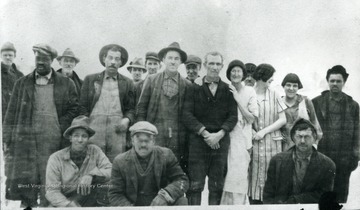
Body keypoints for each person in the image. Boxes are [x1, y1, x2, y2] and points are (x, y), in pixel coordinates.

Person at [3, 44, 79, 207]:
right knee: (28, 180)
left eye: (44, 59)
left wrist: (60, 125)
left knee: (50, 178)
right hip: (27, 141)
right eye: (38, 59)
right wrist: (6, 138)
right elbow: (11, 112)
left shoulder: (67, 84)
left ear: (52, 61)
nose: (40, 63)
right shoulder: (22, 83)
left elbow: (74, 109)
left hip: (54, 140)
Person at [182, 51, 238, 205]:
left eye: (217, 64)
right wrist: (205, 134)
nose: (214, 67)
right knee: (195, 185)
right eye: (211, 63)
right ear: (205, 65)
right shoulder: (193, 88)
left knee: (216, 185)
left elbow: (233, 116)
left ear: (221, 66)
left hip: (220, 143)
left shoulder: (228, 89)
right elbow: (187, 114)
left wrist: (219, 134)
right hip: (198, 143)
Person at [137, 42, 192, 171]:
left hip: (178, 136)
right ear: (163, 60)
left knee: (173, 168)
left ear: (180, 62)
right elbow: (141, 108)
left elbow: (189, 114)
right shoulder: (152, 80)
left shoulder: (187, 85)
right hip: (155, 132)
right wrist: (142, 132)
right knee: (152, 166)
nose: (173, 62)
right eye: (170, 58)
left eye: (176, 59)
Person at [108, 121, 189, 206]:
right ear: (132, 141)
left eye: (147, 140)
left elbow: (182, 180)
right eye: (139, 140)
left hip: (161, 206)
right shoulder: (120, 161)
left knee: (182, 201)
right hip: (133, 206)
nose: (143, 144)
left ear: (153, 141)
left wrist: (165, 195)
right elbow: (115, 194)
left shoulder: (166, 155)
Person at [79, 44, 135, 162]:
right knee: (92, 163)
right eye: (110, 58)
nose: (113, 62)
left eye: (117, 59)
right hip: (94, 131)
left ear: (121, 62)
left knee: (116, 163)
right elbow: (82, 106)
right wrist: (86, 125)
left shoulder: (128, 83)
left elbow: (131, 108)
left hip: (117, 132)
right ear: (104, 59)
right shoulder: (90, 79)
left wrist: (127, 120)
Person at [312, 65, 359, 203]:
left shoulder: (353, 105)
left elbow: (358, 131)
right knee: (321, 194)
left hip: (344, 157)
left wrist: (356, 155)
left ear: (344, 82)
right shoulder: (316, 102)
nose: (335, 84)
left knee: (341, 195)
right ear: (327, 81)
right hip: (322, 155)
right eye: (332, 81)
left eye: (338, 81)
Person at [263, 119, 336, 204]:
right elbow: (268, 195)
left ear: (315, 138)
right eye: (299, 136)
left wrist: (296, 200)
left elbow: (325, 195)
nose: (302, 141)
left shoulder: (327, 165)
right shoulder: (277, 161)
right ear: (293, 138)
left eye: (307, 137)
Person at [45, 115, 112, 207]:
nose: (80, 140)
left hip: (89, 196)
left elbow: (110, 170)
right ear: (70, 138)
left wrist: (91, 175)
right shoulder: (56, 158)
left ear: (88, 138)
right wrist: (68, 205)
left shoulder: (95, 151)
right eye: (76, 136)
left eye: (84, 136)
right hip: (64, 200)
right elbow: (51, 191)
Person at [221, 60, 258, 205]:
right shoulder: (224, 89)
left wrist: (237, 99)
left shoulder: (249, 91)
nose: (236, 74)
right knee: (227, 176)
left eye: (239, 71)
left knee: (239, 176)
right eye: (233, 71)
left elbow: (251, 118)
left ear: (243, 74)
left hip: (243, 140)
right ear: (229, 73)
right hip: (226, 138)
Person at [249, 63, 287, 204]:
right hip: (253, 141)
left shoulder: (274, 94)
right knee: (253, 175)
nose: (272, 80)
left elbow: (283, 120)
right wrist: (252, 131)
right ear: (261, 77)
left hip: (272, 141)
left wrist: (264, 131)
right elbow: (244, 118)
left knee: (271, 175)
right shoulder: (249, 93)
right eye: (270, 77)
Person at [281, 73, 322, 150]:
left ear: (298, 87)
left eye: (295, 86)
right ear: (283, 86)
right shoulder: (278, 103)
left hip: (304, 145)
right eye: (288, 85)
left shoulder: (305, 101)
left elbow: (315, 124)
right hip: (285, 147)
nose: (291, 88)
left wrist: (315, 144)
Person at [1, 42, 24, 121]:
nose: (8, 57)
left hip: (15, 114)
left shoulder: (20, 75)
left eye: (10, 55)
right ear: (1, 56)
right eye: (5, 55)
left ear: (14, 56)